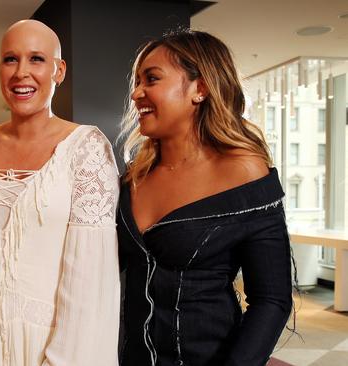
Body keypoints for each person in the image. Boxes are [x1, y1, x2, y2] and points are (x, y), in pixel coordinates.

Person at [0, 19, 120, 366]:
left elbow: (91, 283)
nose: (21, 72)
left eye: (36, 59)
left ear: (59, 70)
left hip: (48, 348)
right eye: (10, 59)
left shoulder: (86, 148)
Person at [117, 29, 293, 365]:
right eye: (136, 82)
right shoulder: (131, 179)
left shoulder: (246, 172)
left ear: (200, 88)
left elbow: (272, 300)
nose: (137, 93)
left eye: (151, 79)